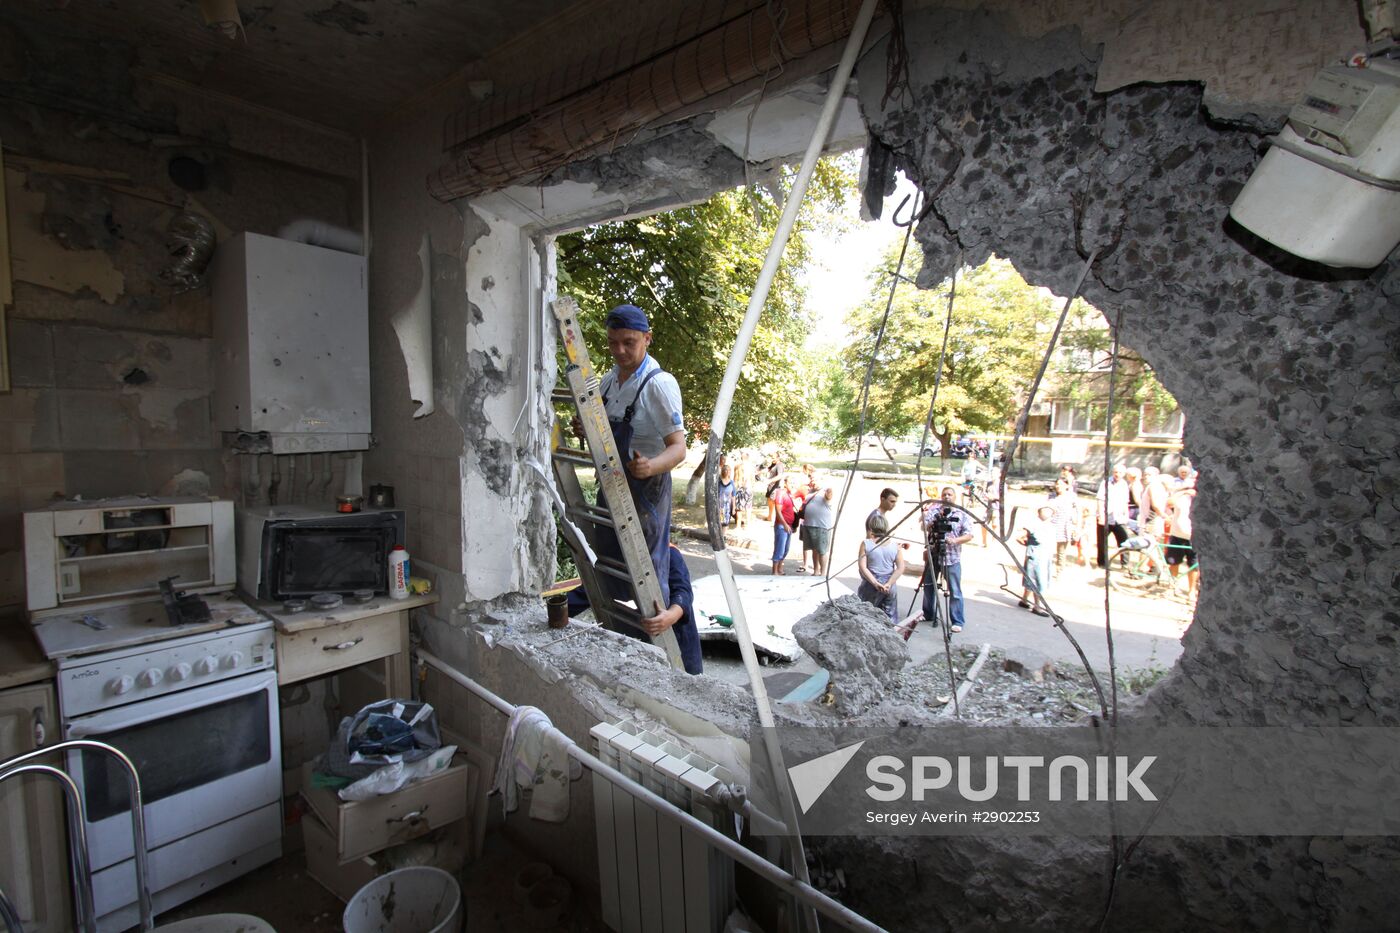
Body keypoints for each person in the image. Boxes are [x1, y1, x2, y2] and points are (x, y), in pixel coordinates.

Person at [593, 303, 686, 608]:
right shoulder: (609, 380)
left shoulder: (658, 385)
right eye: (612, 342)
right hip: (612, 482)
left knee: (647, 566)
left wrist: (651, 466)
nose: (619, 351)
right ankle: (620, 625)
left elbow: (678, 448)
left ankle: (660, 622)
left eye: (628, 342)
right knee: (612, 562)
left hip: (646, 491)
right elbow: (603, 430)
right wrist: (587, 427)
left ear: (647, 338)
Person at [568, 543, 702, 674]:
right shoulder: (617, 558)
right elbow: (591, 590)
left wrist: (671, 615)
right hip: (645, 638)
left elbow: (683, 591)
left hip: (678, 637)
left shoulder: (669, 553)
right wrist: (556, 609)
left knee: (687, 680)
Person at [921, 486, 975, 634]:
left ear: (955, 497)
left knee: (955, 591)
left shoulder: (961, 513)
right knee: (928, 585)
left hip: (952, 558)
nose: (946, 497)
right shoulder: (935, 510)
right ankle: (928, 614)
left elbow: (969, 534)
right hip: (933, 554)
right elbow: (923, 526)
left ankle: (957, 621)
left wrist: (955, 540)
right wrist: (929, 523)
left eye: (949, 494)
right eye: (944, 494)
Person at [858, 513, 905, 624]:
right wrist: (889, 583)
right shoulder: (895, 546)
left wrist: (875, 583)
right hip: (889, 585)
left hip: (870, 585)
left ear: (871, 528)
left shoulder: (866, 544)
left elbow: (863, 567)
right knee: (890, 617)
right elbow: (901, 567)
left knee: (865, 616)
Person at [1165, 474, 1199, 602]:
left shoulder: (1202, 499)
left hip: (1194, 537)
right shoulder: (1182, 497)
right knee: (1174, 562)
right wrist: (1184, 491)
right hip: (1177, 535)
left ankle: (1191, 591)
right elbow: (1169, 503)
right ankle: (1173, 586)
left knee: (1193, 565)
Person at [1017, 505, 1055, 616]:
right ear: (1038, 513)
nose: (1047, 512)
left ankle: (1024, 600)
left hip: (1045, 555)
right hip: (1036, 556)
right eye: (1044, 510)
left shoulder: (1051, 526)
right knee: (1038, 580)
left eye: (1049, 510)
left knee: (1033, 578)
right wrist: (1029, 545)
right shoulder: (1033, 525)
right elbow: (1020, 537)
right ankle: (1037, 606)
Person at [1096, 464, 1131, 568]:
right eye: (1116, 472)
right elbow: (1100, 499)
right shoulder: (1105, 482)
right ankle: (1102, 563)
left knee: (1124, 541)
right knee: (1102, 542)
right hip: (1106, 517)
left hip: (1119, 517)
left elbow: (1126, 501)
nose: (1117, 474)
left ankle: (1125, 563)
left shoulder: (1124, 484)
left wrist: (1126, 515)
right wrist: (1101, 516)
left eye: (1120, 472)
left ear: (1124, 474)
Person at [800, 486, 836, 575]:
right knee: (814, 550)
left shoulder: (825, 492)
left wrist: (828, 492)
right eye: (811, 477)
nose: (812, 480)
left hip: (821, 527)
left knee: (822, 550)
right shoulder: (810, 492)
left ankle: (823, 573)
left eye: (814, 478)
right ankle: (816, 571)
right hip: (809, 524)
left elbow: (829, 496)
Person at [769, 475, 797, 574]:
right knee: (779, 549)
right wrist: (784, 524)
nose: (793, 485)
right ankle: (775, 571)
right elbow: (778, 511)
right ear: (785, 483)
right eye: (790, 482)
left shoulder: (789, 494)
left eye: (794, 483)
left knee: (786, 549)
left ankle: (780, 568)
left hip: (789, 525)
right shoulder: (780, 493)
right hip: (782, 526)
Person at [1049, 477, 1077, 570]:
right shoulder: (1051, 496)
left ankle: (1059, 571)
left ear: (1067, 486)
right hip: (1052, 524)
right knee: (1047, 548)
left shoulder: (1071, 496)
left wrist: (1075, 527)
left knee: (1061, 551)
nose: (1058, 486)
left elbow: (1076, 511)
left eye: (1061, 485)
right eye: (1057, 484)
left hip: (1064, 526)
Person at [716, 465, 736, 529]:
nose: (727, 471)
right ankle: (719, 537)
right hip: (719, 506)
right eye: (725, 470)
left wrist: (733, 508)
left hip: (728, 506)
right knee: (719, 522)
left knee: (726, 523)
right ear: (723, 471)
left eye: (729, 470)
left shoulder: (732, 482)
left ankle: (723, 537)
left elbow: (733, 495)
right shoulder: (719, 482)